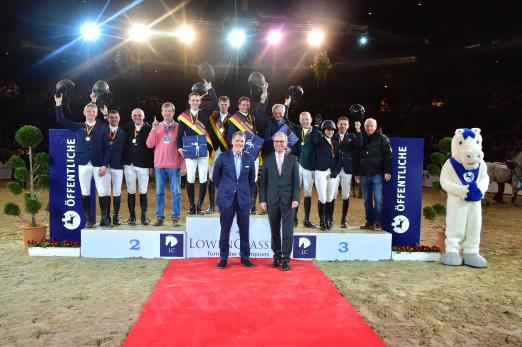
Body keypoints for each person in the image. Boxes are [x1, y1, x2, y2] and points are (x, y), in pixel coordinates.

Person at [54, 94, 111, 228]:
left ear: (96, 113)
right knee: (85, 191)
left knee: (102, 191)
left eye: (93, 111)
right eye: (88, 111)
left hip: (98, 165)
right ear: (84, 112)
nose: (91, 113)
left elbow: (107, 149)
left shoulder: (102, 128)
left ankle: (104, 219)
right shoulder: (78, 126)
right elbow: (61, 119)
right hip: (83, 164)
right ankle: (89, 220)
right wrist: (58, 104)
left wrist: (104, 164)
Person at [212, 131, 256, 269]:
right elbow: (216, 177)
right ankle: (223, 258)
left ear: (245, 143)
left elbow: (251, 180)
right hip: (226, 200)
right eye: (237, 141)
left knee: (244, 230)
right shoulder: (223, 157)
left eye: (242, 141)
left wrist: (244, 192)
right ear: (232, 141)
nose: (239, 143)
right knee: (225, 230)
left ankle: (245, 257)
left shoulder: (249, 158)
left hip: (243, 200)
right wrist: (225, 189)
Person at [259, 132, 300, 271]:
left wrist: (296, 198)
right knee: (274, 230)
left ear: (286, 143)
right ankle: (276, 256)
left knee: (287, 231)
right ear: (273, 143)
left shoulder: (293, 159)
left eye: (282, 142)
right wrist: (262, 200)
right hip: (272, 200)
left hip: (289, 201)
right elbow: (263, 182)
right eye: (277, 141)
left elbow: (296, 183)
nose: (279, 144)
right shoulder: (267, 159)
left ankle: (286, 259)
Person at [177, 81, 218, 215]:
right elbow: (179, 134)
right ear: (189, 101)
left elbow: (215, 101)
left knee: (202, 178)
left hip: (203, 149)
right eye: (193, 100)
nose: (195, 102)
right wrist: (179, 147)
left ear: (200, 101)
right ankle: (191, 205)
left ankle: (199, 205)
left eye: (197, 100)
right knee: (189, 178)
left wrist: (209, 87)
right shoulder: (184, 116)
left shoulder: (205, 112)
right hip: (189, 150)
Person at [227, 90, 268, 214]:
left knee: (253, 178)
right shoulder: (233, 119)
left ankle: (251, 205)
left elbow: (261, 110)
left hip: (253, 154)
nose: (245, 106)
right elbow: (230, 137)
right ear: (239, 105)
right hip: (240, 154)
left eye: (247, 104)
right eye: (243, 104)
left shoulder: (252, 117)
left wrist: (263, 99)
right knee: (240, 178)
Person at [146, 102, 186, 227]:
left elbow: (184, 147)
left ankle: (176, 217)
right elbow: (149, 144)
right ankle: (159, 217)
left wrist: (183, 165)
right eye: (165, 110)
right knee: (159, 192)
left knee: (176, 192)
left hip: (175, 165)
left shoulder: (180, 127)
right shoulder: (156, 127)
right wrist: (153, 129)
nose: (167, 113)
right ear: (162, 112)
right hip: (159, 165)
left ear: (174, 112)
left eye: (170, 111)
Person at [286, 111, 320, 228]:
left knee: (307, 193)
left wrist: (316, 127)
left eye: (307, 119)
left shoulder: (316, 132)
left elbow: (317, 143)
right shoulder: (297, 130)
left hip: (309, 166)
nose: (305, 121)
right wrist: (286, 105)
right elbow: (286, 119)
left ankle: (306, 219)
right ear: (300, 121)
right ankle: (294, 219)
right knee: (295, 192)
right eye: (302, 119)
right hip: (296, 165)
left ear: (310, 120)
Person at [358, 118, 392, 231]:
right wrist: (357, 173)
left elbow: (388, 155)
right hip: (364, 174)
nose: (369, 128)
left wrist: (388, 171)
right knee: (366, 200)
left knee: (378, 199)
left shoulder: (382, 138)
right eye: (367, 125)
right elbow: (357, 156)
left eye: (371, 126)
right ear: (364, 126)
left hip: (377, 173)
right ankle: (369, 222)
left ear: (375, 127)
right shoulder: (360, 137)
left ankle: (378, 222)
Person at [123, 108, 154, 225]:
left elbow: (152, 149)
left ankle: (144, 217)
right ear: (132, 117)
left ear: (143, 116)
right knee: (131, 191)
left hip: (144, 165)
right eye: (135, 115)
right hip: (129, 165)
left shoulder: (150, 129)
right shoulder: (127, 128)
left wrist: (151, 166)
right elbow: (113, 126)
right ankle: (132, 217)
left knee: (143, 190)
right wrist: (106, 114)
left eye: (139, 115)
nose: (137, 117)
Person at [332, 116, 362, 228]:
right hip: (334, 169)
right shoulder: (332, 135)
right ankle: (329, 219)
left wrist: (358, 130)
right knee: (332, 194)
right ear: (337, 124)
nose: (343, 126)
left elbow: (359, 145)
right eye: (341, 124)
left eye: (345, 124)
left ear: (348, 126)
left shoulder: (352, 136)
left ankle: (343, 220)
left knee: (346, 195)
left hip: (347, 169)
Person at [312, 120, 341, 230]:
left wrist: (336, 171)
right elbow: (313, 137)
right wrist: (316, 126)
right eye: (328, 129)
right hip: (320, 171)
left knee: (330, 197)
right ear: (324, 130)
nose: (330, 131)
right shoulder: (319, 140)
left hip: (332, 172)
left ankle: (328, 219)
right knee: (322, 197)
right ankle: (322, 221)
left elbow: (339, 159)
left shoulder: (336, 143)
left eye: (332, 130)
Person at [206, 96, 231, 214]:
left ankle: (226, 204)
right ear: (218, 104)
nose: (223, 106)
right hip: (214, 150)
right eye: (221, 104)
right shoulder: (212, 117)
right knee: (211, 177)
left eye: (225, 104)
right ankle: (211, 205)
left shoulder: (233, 118)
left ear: (229, 105)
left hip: (227, 151)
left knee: (227, 178)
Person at [104, 110, 128, 226]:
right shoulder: (103, 130)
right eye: (111, 117)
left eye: (116, 117)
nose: (114, 119)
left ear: (119, 118)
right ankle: (107, 217)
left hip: (118, 165)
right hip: (105, 166)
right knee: (107, 192)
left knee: (117, 192)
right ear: (108, 118)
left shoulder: (124, 131)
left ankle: (115, 217)